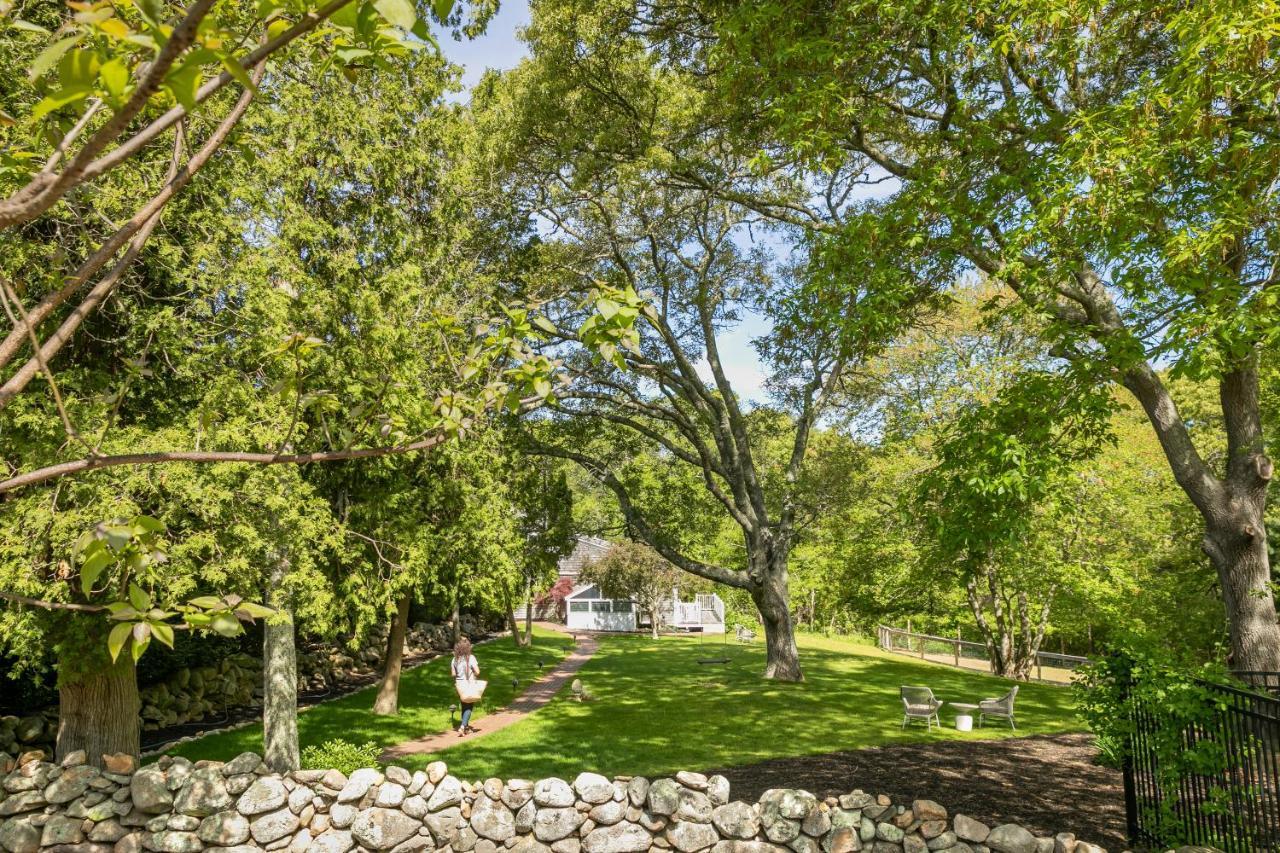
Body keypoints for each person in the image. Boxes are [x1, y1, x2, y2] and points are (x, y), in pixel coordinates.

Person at [451, 638, 480, 736]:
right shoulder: (471, 658)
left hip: (459, 685)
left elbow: (453, 674)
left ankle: (466, 728)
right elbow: (477, 672)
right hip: (469, 684)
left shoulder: (454, 659)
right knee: (469, 707)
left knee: (464, 705)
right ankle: (463, 726)